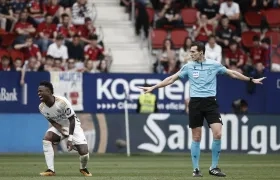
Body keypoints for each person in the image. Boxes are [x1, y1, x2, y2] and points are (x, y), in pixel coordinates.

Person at [138, 42, 265, 177]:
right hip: (195, 104)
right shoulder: (188, 67)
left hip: (210, 103)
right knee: (196, 137)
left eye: (193, 52)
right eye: (190, 52)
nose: (190, 54)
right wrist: (153, 87)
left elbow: (232, 73)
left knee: (218, 134)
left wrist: (250, 79)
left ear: (201, 52)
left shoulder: (214, 65)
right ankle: (196, 169)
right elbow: (171, 79)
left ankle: (214, 167)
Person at [38, 81, 92, 177]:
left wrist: (70, 139)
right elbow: (52, 121)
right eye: (38, 91)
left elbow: (72, 120)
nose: (39, 93)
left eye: (41, 91)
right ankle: (50, 170)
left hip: (73, 127)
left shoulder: (62, 102)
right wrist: (60, 130)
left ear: (49, 92)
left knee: (84, 153)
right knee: (47, 138)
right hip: (60, 126)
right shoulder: (42, 107)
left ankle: (83, 168)